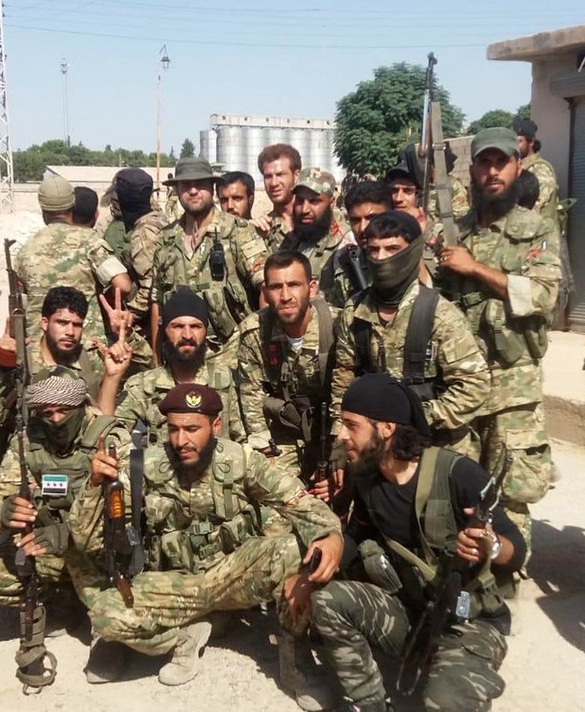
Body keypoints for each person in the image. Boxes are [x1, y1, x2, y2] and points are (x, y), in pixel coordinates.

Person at [70, 383, 343, 689]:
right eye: (173, 429)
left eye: (192, 429)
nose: (181, 441)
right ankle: (182, 639)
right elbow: (86, 539)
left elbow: (299, 502)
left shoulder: (242, 460)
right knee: (105, 616)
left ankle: (295, 662)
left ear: (216, 426)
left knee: (295, 548)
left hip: (232, 575)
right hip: (175, 583)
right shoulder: (142, 466)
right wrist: (94, 485)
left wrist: (329, 533)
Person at [298, 374, 524, 712]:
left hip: (469, 622)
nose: (342, 435)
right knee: (328, 599)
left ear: (386, 428)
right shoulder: (367, 479)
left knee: (444, 701)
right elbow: (358, 534)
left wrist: (489, 546)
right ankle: (371, 704)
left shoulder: (457, 474)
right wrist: (319, 562)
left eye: (351, 425)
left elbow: (517, 551)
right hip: (413, 612)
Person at [438, 127, 562, 556]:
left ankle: (509, 568)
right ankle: (468, 572)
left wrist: (474, 269)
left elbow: (543, 295)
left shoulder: (536, 229)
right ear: (472, 169)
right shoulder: (454, 234)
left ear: (517, 166)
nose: (492, 172)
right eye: (484, 163)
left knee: (511, 489)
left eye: (501, 162)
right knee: (458, 484)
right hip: (462, 386)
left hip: (513, 387)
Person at [0, 374, 130, 684]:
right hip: (45, 545)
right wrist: (3, 511)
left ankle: (106, 632)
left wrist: (69, 533)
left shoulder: (109, 438)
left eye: (63, 411)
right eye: (47, 413)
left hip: (96, 548)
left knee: (111, 600)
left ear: (81, 406)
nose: (55, 420)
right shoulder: (29, 441)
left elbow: (127, 513)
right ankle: (63, 603)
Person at [333, 211, 490, 461]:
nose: (381, 258)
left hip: (437, 448)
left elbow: (474, 386)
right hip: (378, 451)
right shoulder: (355, 312)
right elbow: (343, 380)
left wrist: (417, 415)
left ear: (413, 251)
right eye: (373, 250)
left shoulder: (440, 314)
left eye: (392, 249)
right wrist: (341, 444)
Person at [0, 286, 140, 470]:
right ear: (45, 323)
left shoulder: (90, 359)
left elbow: (101, 424)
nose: (70, 332)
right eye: (62, 322)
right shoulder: (21, 361)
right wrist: (0, 366)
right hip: (25, 461)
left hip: (80, 463)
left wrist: (113, 375)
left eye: (77, 325)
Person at [150, 157, 269, 369]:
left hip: (233, 358)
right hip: (181, 359)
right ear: (176, 190)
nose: (193, 191)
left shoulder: (237, 231)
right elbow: (157, 303)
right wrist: (157, 359)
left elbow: (266, 286)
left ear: (212, 188)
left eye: (200, 184)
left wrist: (262, 346)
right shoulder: (165, 239)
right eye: (186, 185)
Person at [99, 285, 244, 445]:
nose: (187, 335)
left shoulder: (227, 381)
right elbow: (109, 438)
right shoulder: (145, 386)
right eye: (178, 326)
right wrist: (112, 377)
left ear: (205, 332)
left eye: (195, 326)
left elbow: (243, 443)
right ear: (165, 331)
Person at [237, 251, 337, 485]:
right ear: (265, 293)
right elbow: (251, 398)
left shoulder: (337, 325)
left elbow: (348, 393)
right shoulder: (254, 333)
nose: (285, 296)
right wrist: (266, 456)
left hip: (333, 430)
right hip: (286, 431)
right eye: (276, 287)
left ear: (312, 288)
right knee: (269, 488)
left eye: (293, 285)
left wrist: (339, 453)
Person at [14, 174, 131, 344]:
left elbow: (21, 303)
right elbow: (123, 285)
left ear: (43, 211)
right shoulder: (90, 241)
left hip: (40, 347)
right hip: (83, 344)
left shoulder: (25, 250)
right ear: (72, 207)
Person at [513, 117, 573, 329]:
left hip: (542, 239)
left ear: (531, 142)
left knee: (545, 285)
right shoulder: (515, 167)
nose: (515, 146)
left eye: (519, 141)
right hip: (522, 237)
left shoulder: (540, 169)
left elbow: (533, 205)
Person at [280, 168, 351, 306]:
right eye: (300, 200)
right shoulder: (293, 239)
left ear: (331, 203)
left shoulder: (346, 243)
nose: (304, 209)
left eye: (314, 201)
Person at [113, 167, 170, 329]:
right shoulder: (159, 219)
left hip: (151, 322)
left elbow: (150, 287)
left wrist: (129, 315)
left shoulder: (143, 233)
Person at [252, 143, 302, 251]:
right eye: (268, 176)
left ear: (296, 175)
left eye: (280, 175)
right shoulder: (263, 228)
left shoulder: (316, 220)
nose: (274, 183)